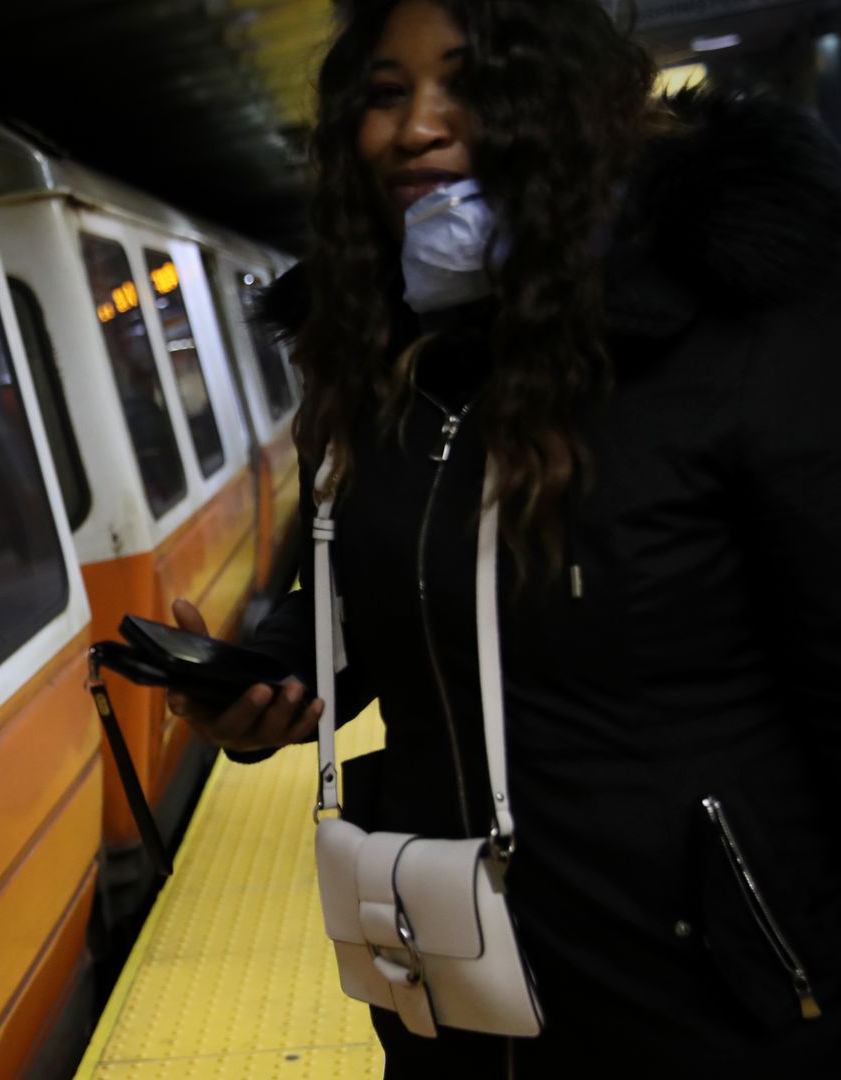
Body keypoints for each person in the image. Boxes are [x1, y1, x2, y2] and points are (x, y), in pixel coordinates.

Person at [167, 0, 841, 1074]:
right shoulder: (391, 365)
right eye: (386, 94)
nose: (415, 127)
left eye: (470, 87)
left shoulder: (737, 333)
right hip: (457, 996)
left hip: (706, 1001)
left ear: (568, 107)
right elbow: (398, 590)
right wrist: (279, 673)